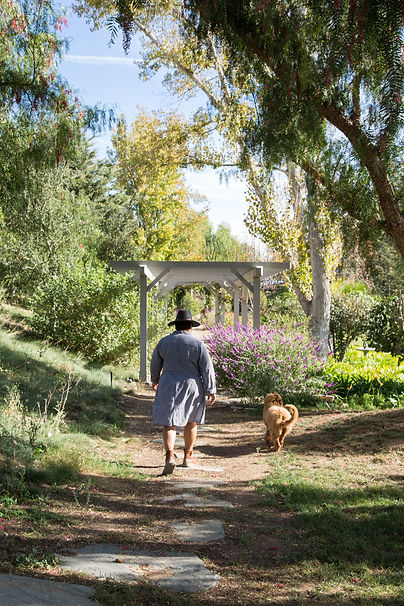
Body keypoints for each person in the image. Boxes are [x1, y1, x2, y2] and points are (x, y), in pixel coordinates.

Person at [150, 309, 216, 475]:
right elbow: (207, 368)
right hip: (192, 385)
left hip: (168, 384)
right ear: (189, 326)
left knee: (169, 422)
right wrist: (211, 389)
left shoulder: (164, 342)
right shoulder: (198, 344)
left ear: (176, 326)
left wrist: (155, 380)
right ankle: (187, 457)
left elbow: (155, 363)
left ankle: (169, 456)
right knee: (191, 421)